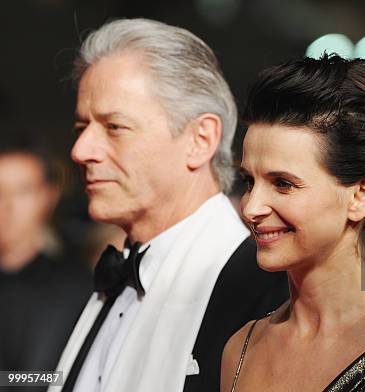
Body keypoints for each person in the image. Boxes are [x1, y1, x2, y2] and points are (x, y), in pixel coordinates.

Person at [51, 18, 287, 392]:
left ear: (199, 139)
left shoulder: (267, 293)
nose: (81, 151)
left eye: (114, 127)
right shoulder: (107, 278)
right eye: (82, 128)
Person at [220, 54, 365, 392]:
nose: (251, 208)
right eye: (249, 181)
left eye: (283, 183)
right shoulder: (241, 349)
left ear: (361, 196)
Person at [0, 141, 90, 379]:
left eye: (22, 191)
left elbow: (63, 376)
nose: (8, 205)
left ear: (49, 196)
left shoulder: (76, 287)